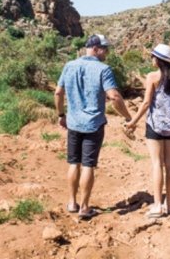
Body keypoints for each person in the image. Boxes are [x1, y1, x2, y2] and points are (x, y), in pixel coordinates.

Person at [55, 34, 132, 220]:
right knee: (88, 165)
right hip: (93, 124)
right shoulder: (103, 69)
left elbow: (58, 92)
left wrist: (61, 115)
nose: (107, 53)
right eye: (105, 49)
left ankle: (72, 202)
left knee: (74, 162)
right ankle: (84, 207)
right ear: (96, 49)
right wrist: (128, 117)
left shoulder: (69, 66)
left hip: (73, 123)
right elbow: (114, 97)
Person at [125, 44, 170, 218]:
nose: (151, 59)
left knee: (156, 165)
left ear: (158, 59)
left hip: (155, 125)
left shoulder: (152, 76)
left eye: (153, 56)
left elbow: (146, 103)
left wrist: (132, 122)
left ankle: (157, 205)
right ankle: (169, 205)